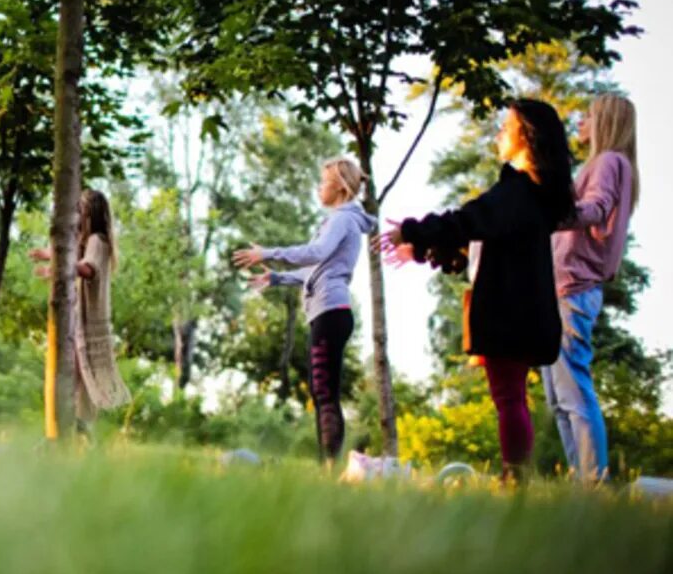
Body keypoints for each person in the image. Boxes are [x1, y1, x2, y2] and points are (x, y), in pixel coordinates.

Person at [378, 99, 574, 482]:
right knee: (511, 395)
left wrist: (412, 228)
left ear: (526, 136)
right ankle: (514, 475)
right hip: (524, 311)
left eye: (507, 125)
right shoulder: (533, 199)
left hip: (509, 311)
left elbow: (467, 221)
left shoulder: (517, 192)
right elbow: (477, 247)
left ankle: (514, 478)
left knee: (508, 397)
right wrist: (419, 250)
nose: (499, 132)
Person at [232, 158, 376, 463]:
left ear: (339, 186)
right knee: (322, 391)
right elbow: (316, 268)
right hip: (327, 311)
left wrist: (268, 253)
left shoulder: (341, 220)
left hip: (330, 311)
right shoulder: (341, 220)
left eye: (323, 182)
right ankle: (328, 465)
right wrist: (276, 277)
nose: (318, 188)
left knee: (325, 393)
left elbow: (316, 253)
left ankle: (329, 468)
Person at [543, 95, 639, 480]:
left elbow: (596, 207)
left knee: (573, 393)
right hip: (564, 289)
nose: (580, 121)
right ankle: (581, 480)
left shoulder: (607, 162)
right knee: (558, 398)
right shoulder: (611, 164)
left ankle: (592, 481)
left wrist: (548, 214)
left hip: (574, 288)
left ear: (606, 121)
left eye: (588, 116)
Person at [30, 189, 131, 434]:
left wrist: (56, 262)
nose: (77, 213)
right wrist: (53, 264)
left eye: (81, 208)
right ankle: (76, 432)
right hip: (83, 322)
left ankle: (75, 432)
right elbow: (76, 265)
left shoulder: (98, 240)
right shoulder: (90, 243)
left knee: (78, 379)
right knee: (78, 380)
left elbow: (87, 270)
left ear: (90, 212)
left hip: (89, 323)